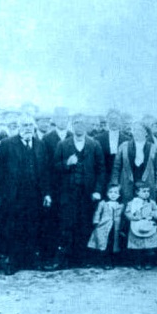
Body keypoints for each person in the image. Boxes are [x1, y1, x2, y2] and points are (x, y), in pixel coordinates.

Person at [0, 114, 54, 273]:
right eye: (24, 126)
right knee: (14, 228)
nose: (27, 129)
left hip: (35, 195)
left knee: (33, 227)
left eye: (29, 126)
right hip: (14, 196)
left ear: (33, 127)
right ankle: (14, 261)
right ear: (19, 127)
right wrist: (5, 192)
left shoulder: (40, 144)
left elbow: (46, 171)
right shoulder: (7, 144)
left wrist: (47, 193)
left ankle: (31, 260)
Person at [53, 114, 106, 269]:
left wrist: (97, 190)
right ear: (72, 125)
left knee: (84, 224)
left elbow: (101, 170)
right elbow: (54, 167)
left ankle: (83, 259)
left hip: (87, 193)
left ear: (86, 126)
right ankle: (65, 260)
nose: (79, 126)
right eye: (76, 123)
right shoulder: (63, 145)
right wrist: (66, 163)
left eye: (82, 123)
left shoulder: (94, 145)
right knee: (67, 225)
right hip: (68, 193)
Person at [87, 184, 124, 270]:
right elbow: (97, 213)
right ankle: (100, 261)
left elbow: (122, 217)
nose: (113, 194)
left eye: (116, 192)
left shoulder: (120, 205)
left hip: (115, 228)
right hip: (103, 226)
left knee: (112, 244)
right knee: (102, 243)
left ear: (119, 195)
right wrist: (96, 222)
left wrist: (122, 226)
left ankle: (111, 261)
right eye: (110, 192)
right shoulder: (103, 203)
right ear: (107, 194)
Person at [125, 182, 157, 270]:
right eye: (143, 191)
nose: (146, 193)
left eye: (148, 191)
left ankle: (148, 262)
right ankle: (137, 262)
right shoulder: (132, 203)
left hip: (148, 225)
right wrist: (134, 217)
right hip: (137, 225)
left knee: (149, 246)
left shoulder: (151, 202)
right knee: (137, 247)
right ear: (137, 192)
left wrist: (154, 214)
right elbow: (127, 212)